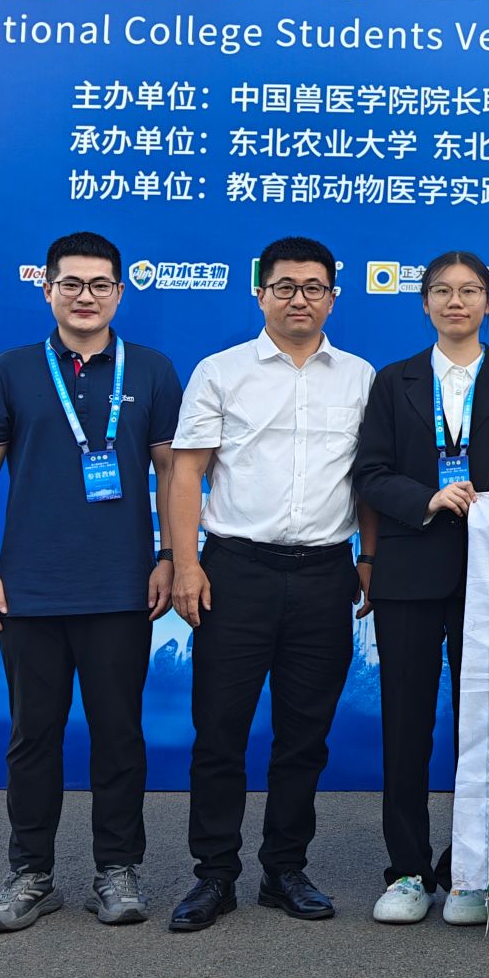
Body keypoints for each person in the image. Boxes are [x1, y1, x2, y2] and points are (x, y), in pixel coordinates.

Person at [0, 232, 182, 933]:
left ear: (119, 291)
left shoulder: (151, 370)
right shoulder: (11, 369)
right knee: (33, 736)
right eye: (71, 284)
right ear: (48, 289)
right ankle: (30, 873)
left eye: (99, 284)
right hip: (28, 590)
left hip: (122, 588)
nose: (85, 296)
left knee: (119, 735)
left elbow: (173, 473)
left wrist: (169, 555)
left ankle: (117, 870)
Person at [165, 237, 378, 932]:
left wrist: (369, 559)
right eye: (284, 286)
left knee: (304, 737)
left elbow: (367, 481)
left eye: (313, 287)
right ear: (260, 294)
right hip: (236, 572)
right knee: (219, 732)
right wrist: (186, 563)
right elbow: (187, 473)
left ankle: (285, 869)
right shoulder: (221, 371)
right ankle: (214, 874)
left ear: (332, 298)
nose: (298, 300)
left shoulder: (359, 378)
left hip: (324, 574)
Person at [355, 251, 489, 928]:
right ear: (425, 302)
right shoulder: (394, 380)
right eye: (441, 290)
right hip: (409, 569)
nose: (455, 301)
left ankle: (469, 872)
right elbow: (370, 473)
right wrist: (427, 498)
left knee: (480, 726)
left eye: (469, 291)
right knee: (405, 724)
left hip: (488, 573)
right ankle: (407, 870)